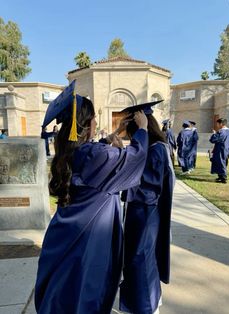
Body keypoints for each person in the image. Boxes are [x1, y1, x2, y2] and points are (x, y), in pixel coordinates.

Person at [34, 80, 149, 314]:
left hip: (68, 232)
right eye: (94, 117)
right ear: (87, 123)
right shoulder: (94, 155)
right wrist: (143, 130)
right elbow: (134, 158)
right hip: (90, 237)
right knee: (86, 290)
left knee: (65, 289)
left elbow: (94, 158)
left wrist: (110, 139)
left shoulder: (72, 150)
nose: (97, 121)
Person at [119, 103, 175, 314]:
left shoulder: (157, 149)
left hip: (146, 214)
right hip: (139, 213)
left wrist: (123, 183)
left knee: (140, 260)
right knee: (137, 260)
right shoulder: (151, 147)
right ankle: (145, 304)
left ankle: (146, 307)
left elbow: (149, 189)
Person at [209, 118, 229, 183]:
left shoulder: (221, 131)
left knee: (221, 163)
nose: (217, 125)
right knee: (222, 163)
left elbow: (213, 140)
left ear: (221, 124)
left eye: (218, 124)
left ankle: (224, 178)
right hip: (227, 149)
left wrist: (214, 134)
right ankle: (220, 177)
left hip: (221, 150)